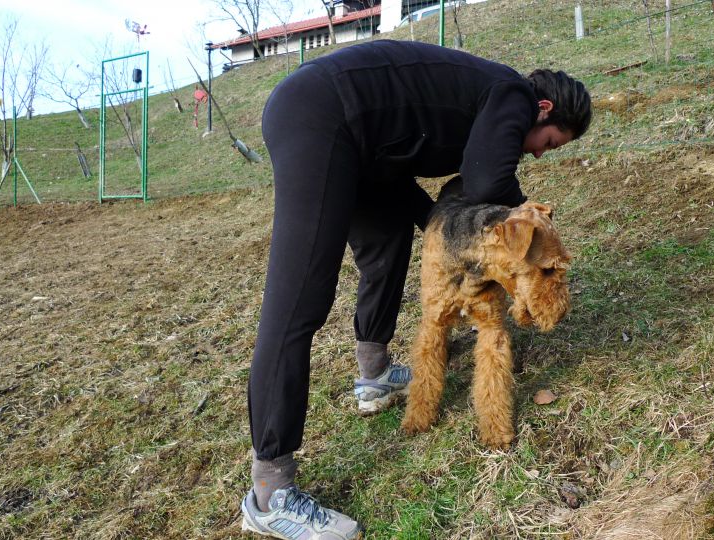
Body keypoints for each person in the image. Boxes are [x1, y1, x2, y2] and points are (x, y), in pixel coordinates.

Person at [240, 39, 592, 539]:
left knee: (388, 244)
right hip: (320, 113)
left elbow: (438, 198)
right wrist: (531, 222)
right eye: (550, 142)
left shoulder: (489, 103)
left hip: (368, 150)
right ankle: (270, 493)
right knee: (298, 301)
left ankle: (375, 372)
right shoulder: (513, 94)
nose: (539, 152)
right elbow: (486, 178)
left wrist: (441, 227)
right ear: (544, 109)